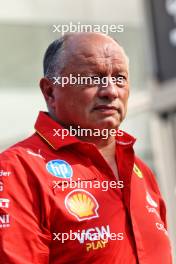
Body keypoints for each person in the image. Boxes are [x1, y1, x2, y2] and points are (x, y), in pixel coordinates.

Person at [0, 32, 172, 264]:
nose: (111, 91)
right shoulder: (18, 170)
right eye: (91, 78)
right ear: (50, 92)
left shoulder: (139, 170)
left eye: (120, 78)